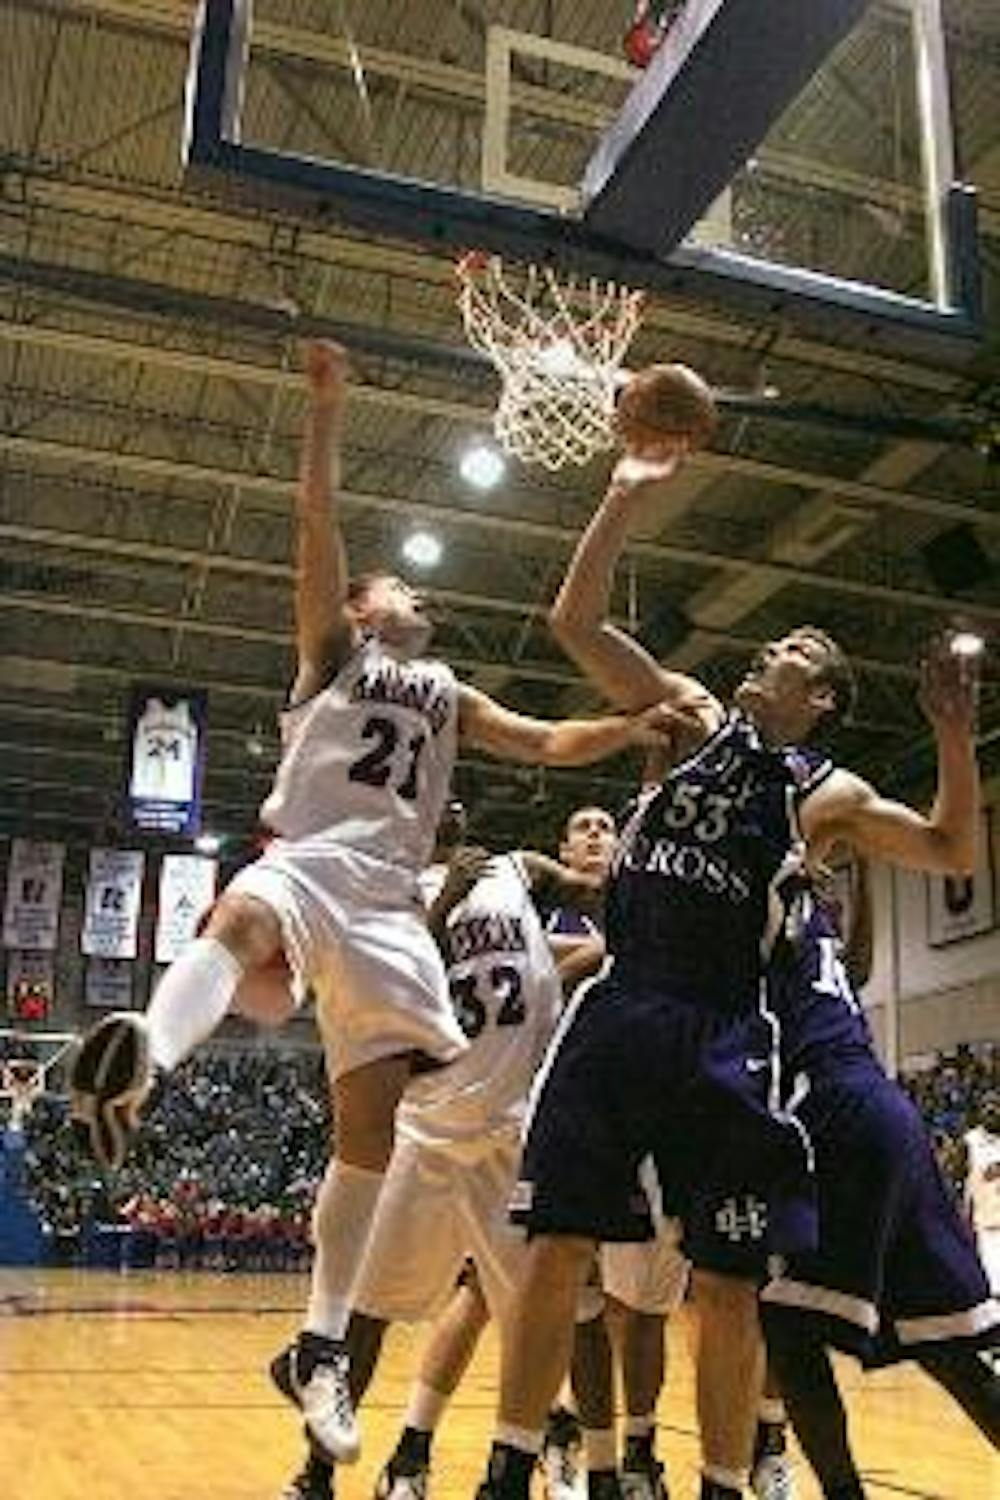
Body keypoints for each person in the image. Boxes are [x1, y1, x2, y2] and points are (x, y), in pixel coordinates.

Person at [68, 342, 672, 1468]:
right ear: (361, 607)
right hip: (309, 863)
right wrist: (324, 408)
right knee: (239, 920)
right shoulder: (334, 655)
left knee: (366, 1134)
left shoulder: (447, 691)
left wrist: (629, 729)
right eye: (398, 582)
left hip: (392, 908)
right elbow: (315, 533)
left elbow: (545, 741)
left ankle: (318, 1347)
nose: (415, 591)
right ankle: (144, 1047)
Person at [475, 424, 985, 1500]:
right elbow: (572, 622)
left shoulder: (826, 790)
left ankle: (722, 1478)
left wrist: (949, 730)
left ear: (824, 698)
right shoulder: (689, 716)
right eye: (765, 647)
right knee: (559, 1250)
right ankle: (508, 1471)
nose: (766, 651)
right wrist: (622, 492)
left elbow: (948, 848)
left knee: (733, 1284)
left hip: (722, 1027)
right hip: (624, 1004)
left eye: (791, 652)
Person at [275, 798, 600, 1500]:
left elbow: (599, 894)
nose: (448, 799)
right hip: (422, 1134)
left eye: (454, 790)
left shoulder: (520, 869)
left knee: (542, 1318)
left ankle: (539, 1453)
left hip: (513, 1133)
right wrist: (447, 897)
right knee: (364, 1314)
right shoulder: (385, 900)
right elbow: (390, 989)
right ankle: (316, 1474)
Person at [760, 838, 1000, 1499]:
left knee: (785, 1327)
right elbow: (857, 963)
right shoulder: (815, 927)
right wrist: (860, 883)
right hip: (890, 1111)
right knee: (943, 1339)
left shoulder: (752, 912)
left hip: (831, 1107)